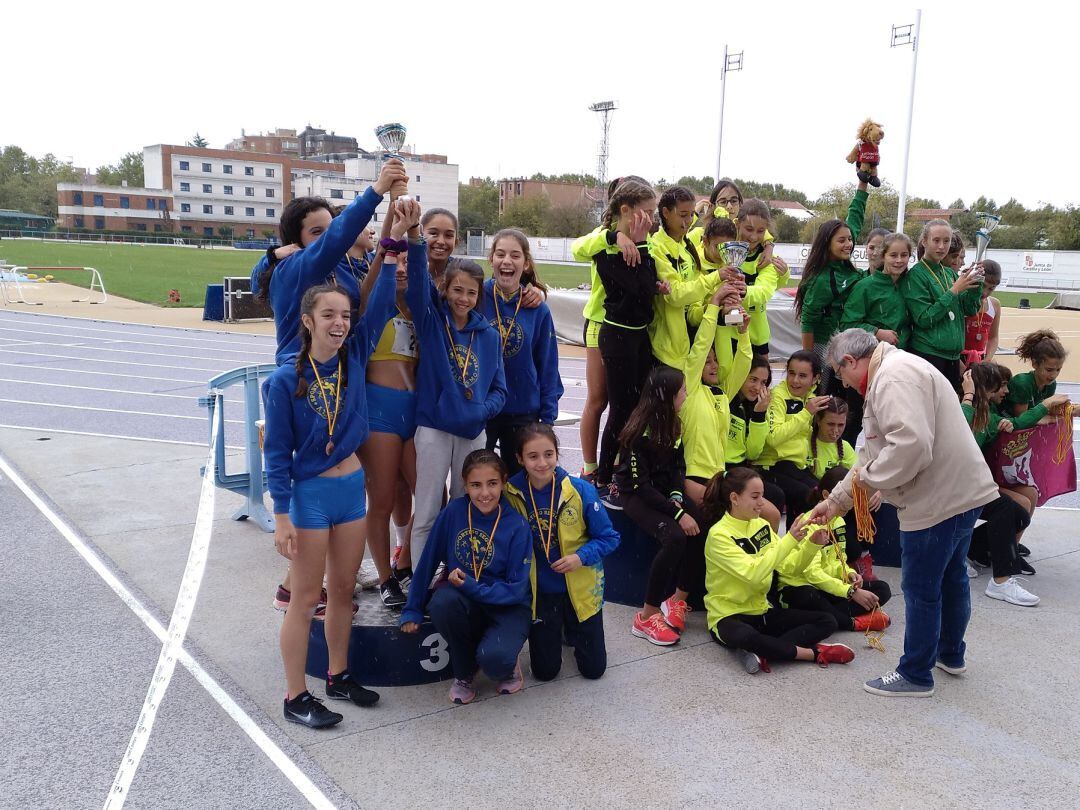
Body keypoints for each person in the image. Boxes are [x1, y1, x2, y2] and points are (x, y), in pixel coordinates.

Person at [805, 328, 999, 698]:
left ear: (850, 362)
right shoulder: (896, 369)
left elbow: (909, 447)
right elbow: (872, 456)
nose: (842, 383)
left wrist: (869, 483)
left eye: (840, 373)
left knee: (922, 587)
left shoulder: (892, 378)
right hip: (959, 492)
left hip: (937, 500)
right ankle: (949, 654)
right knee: (952, 578)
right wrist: (836, 502)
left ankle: (915, 673)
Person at [262, 260, 401, 728]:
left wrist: (394, 246)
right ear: (307, 321)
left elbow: (380, 306)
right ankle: (295, 695)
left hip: (350, 491)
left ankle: (337, 675)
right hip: (311, 498)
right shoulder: (284, 381)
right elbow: (277, 453)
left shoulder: (353, 359)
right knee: (305, 598)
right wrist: (281, 515)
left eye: (344, 314)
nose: (339, 323)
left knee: (343, 591)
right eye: (328, 315)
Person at [400, 450, 532, 705]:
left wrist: (470, 585)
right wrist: (412, 608)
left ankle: (506, 659)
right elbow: (428, 560)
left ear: (503, 482)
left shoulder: (516, 525)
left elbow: (516, 590)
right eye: (476, 485)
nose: (485, 493)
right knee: (442, 603)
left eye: (492, 484)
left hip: (507, 605)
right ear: (464, 484)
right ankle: (464, 671)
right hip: (466, 598)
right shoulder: (454, 513)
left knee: (495, 663)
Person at [703, 467, 855, 674]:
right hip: (729, 616)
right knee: (746, 637)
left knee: (827, 620)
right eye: (755, 496)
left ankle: (763, 651)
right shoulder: (719, 535)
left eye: (762, 496)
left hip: (762, 611)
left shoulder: (761, 526)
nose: (761, 503)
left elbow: (789, 569)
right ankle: (813, 653)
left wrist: (811, 545)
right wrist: (790, 540)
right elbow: (753, 574)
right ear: (734, 498)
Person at [406, 258, 507, 569]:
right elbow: (417, 285)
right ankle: (420, 586)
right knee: (427, 510)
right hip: (435, 428)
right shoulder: (432, 323)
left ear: (480, 296)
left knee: (470, 508)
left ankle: (460, 575)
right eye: (457, 290)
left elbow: (500, 391)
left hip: (473, 433)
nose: (463, 298)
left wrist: (479, 411)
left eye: (471, 293)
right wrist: (414, 238)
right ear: (445, 289)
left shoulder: (489, 336)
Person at [259, 159, 407, 365]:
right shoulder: (290, 269)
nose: (327, 237)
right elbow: (336, 238)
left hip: (346, 374)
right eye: (317, 232)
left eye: (330, 228)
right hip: (304, 377)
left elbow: (383, 253)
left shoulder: (346, 266)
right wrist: (376, 190)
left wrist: (396, 206)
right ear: (295, 241)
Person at [505, 424, 620, 680]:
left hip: (579, 590)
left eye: (548, 454)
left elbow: (609, 538)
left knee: (594, 671)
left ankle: (572, 627)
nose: (542, 463)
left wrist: (581, 557)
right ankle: (556, 629)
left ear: (557, 454)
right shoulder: (510, 494)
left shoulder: (579, 490)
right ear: (519, 459)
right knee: (545, 673)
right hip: (541, 593)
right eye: (532, 456)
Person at [355, 201, 425, 607]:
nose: (399, 269)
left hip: (414, 413)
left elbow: (409, 259)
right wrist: (393, 228)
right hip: (379, 412)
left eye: (404, 265)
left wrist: (409, 228)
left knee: (433, 496)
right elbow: (384, 251)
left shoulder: (416, 306)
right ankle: (385, 579)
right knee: (380, 499)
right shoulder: (370, 303)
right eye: (392, 263)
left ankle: (405, 560)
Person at [614, 366, 707, 645]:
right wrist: (677, 513)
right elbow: (641, 486)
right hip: (636, 494)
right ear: (666, 397)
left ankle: (677, 600)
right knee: (676, 537)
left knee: (700, 525)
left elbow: (678, 466)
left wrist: (678, 495)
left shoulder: (674, 422)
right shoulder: (637, 432)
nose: (686, 395)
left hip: (665, 492)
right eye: (682, 391)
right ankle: (646, 616)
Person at [580, 178, 658, 489]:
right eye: (647, 211)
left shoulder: (644, 238)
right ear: (622, 208)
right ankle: (591, 467)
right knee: (599, 400)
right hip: (603, 324)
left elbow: (647, 280)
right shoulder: (603, 239)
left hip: (633, 329)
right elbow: (578, 248)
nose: (651, 219)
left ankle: (616, 464)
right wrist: (613, 237)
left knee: (625, 402)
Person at [960, 364, 1061, 601]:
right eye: (1002, 385)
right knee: (1008, 508)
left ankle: (977, 550)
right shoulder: (963, 409)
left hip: (973, 484)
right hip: (952, 488)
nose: (1007, 390)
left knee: (1020, 513)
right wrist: (968, 395)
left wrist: (1042, 414)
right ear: (985, 389)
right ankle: (999, 578)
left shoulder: (990, 415)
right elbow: (961, 428)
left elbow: (1017, 422)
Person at [481, 229, 563, 474]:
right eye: (500, 254)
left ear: (525, 263)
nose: (507, 261)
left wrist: (547, 420)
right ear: (491, 260)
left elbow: (547, 366)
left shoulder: (537, 309)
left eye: (515, 256)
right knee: (480, 481)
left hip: (521, 411)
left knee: (519, 486)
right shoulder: (476, 296)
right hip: (481, 408)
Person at [778, 466, 892, 632]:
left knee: (882, 589)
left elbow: (839, 559)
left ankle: (829, 617)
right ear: (826, 496)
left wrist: (849, 574)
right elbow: (812, 574)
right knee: (810, 597)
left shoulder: (838, 521)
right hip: (801, 587)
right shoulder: (810, 522)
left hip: (826, 585)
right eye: (850, 496)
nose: (853, 502)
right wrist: (850, 592)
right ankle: (851, 623)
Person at [795, 179, 870, 373]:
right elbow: (808, 320)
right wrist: (809, 361)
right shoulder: (821, 279)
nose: (849, 244)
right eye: (842, 241)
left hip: (849, 343)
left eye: (850, 239)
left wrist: (863, 183)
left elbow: (855, 216)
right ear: (828, 244)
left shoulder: (843, 261)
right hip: (827, 347)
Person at [900, 219, 983, 392]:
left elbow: (970, 310)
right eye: (936, 240)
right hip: (928, 355)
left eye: (946, 241)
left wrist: (976, 285)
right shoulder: (916, 275)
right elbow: (924, 319)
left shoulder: (949, 274)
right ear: (924, 241)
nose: (941, 246)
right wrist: (954, 290)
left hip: (953, 357)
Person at [648, 185, 721, 370]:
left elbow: (692, 303)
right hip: (667, 350)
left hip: (689, 343)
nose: (688, 221)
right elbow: (676, 295)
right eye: (683, 215)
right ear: (665, 212)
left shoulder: (686, 245)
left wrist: (710, 308)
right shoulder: (657, 247)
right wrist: (716, 277)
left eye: (691, 215)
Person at [757, 350, 832, 525]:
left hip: (797, 466)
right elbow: (773, 438)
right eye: (791, 373)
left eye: (802, 375)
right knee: (807, 495)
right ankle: (795, 544)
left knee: (825, 492)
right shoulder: (777, 397)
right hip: (772, 466)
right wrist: (806, 413)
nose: (795, 380)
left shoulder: (813, 399)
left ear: (815, 379)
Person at [725, 354, 786, 530]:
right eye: (753, 379)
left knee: (777, 494)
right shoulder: (726, 402)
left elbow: (753, 453)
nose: (757, 387)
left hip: (743, 468)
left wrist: (759, 415)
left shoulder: (758, 408)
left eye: (763, 383)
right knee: (772, 513)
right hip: (723, 470)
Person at [840, 232, 914, 351]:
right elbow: (847, 324)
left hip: (906, 354)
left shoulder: (911, 283)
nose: (899, 260)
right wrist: (877, 332)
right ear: (883, 256)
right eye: (893, 255)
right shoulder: (865, 286)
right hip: (874, 353)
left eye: (904, 255)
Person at [961, 259, 1002, 367]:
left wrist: (987, 359)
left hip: (981, 360)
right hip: (958, 358)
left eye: (991, 288)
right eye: (982, 286)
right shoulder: (963, 300)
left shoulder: (995, 305)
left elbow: (993, 337)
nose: (985, 292)